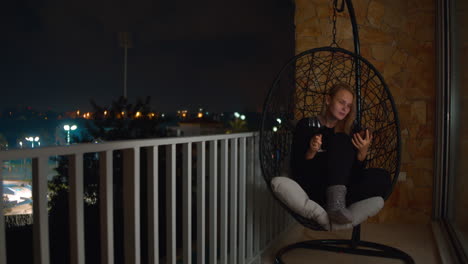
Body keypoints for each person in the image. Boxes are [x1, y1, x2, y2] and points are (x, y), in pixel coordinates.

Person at [291, 83, 391, 224]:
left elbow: (355, 174)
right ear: (328, 100)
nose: (345, 109)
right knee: (341, 139)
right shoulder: (307, 125)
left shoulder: (350, 130)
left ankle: (336, 204)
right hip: (316, 185)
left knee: (383, 178)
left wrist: (362, 154)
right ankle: (334, 204)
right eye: (341, 102)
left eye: (349, 105)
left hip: (340, 189)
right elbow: (298, 169)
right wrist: (311, 152)